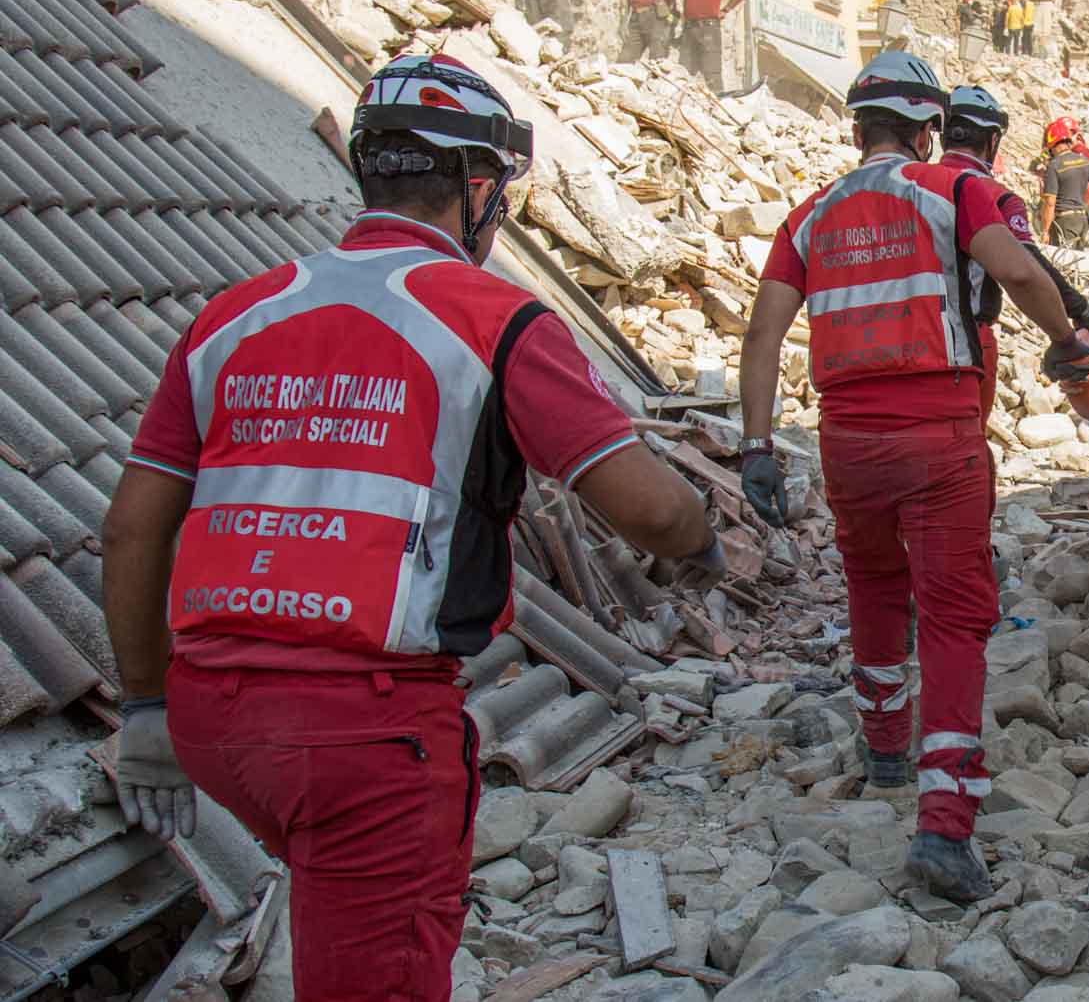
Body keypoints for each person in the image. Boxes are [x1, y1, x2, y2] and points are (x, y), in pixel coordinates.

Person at [101, 54, 727, 1001]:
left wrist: (146, 708)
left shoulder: (232, 315)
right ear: (479, 189)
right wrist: (700, 539)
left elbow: (131, 529)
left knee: (330, 914)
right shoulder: (494, 318)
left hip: (209, 713)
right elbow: (649, 506)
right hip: (364, 731)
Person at [735, 53, 1089, 903]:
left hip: (847, 441)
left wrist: (756, 445)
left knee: (873, 584)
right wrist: (1066, 341)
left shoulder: (811, 213)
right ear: (930, 130)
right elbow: (1014, 270)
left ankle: (887, 747)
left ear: (857, 129)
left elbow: (762, 336)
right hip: (940, 437)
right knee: (956, 612)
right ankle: (944, 823)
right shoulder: (953, 190)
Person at [941, 85, 1089, 446]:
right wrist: (1076, 318)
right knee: (964, 450)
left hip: (903, 337)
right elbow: (1025, 267)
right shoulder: (995, 195)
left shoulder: (911, 185)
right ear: (993, 140)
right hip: (966, 341)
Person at [1038, 119, 1089, 249]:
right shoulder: (1083, 160)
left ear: (1052, 144)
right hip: (1082, 220)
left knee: (1062, 264)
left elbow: (1050, 203)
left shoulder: (1054, 165)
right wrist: (1086, 205)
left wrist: (1045, 231)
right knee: (1076, 264)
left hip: (1064, 222)